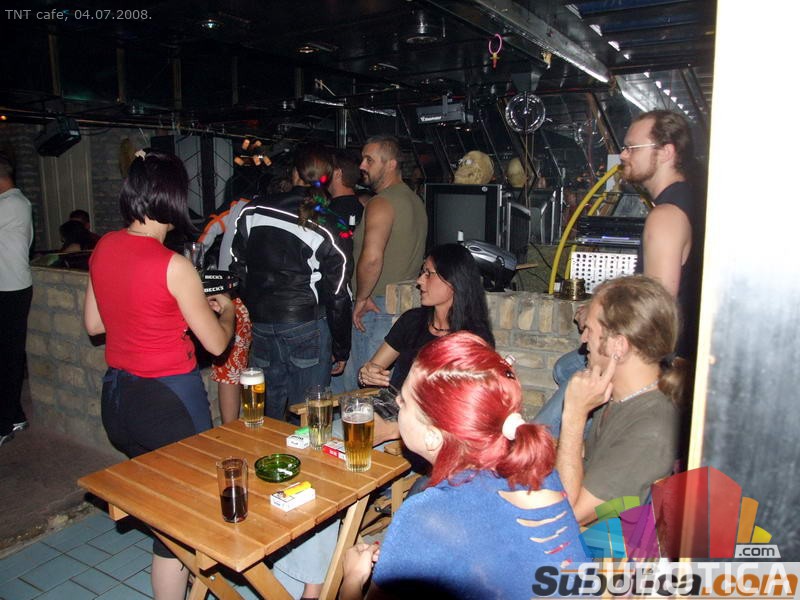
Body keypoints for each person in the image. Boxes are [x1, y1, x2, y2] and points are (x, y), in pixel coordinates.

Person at [83, 150, 235, 600]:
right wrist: (226, 311)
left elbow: (94, 324)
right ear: (172, 198)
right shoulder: (174, 265)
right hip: (168, 403)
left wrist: (163, 312)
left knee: (167, 505)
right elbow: (216, 345)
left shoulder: (103, 247)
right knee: (184, 517)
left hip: (118, 400)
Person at [341, 332, 588, 600]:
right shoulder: (538, 470)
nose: (397, 402)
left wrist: (353, 577)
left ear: (432, 437)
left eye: (405, 402)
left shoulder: (426, 515)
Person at [535, 110, 704, 436]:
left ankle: (536, 452)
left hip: (660, 361)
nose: (623, 155)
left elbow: (654, 314)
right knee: (565, 367)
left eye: (632, 148)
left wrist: (604, 322)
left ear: (666, 152)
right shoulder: (691, 202)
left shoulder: (666, 216)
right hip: (676, 354)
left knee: (542, 428)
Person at [230, 144, 353, 421]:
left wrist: (255, 304)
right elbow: (338, 293)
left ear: (295, 172)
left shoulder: (254, 209)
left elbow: (237, 266)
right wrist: (341, 347)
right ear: (328, 178)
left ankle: (267, 448)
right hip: (307, 325)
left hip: (262, 323)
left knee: (268, 412)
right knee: (308, 412)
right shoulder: (331, 224)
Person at [556, 275, 685, 525]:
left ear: (618, 346)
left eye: (589, 330)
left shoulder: (652, 428)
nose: (583, 339)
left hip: (600, 546)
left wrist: (574, 415)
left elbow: (567, 514)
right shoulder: (618, 398)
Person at [358, 243, 494, 444]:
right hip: (386, 411)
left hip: (427, 432)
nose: (420, 280)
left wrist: (395, 431)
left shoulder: (473, 339)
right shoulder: (412, 320)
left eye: (428, 274)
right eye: (422, 273)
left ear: (454, 281)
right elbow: (373, 368)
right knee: (329, 438)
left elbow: (459, 411)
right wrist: (365, 374)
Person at [338, 136, 427, 392]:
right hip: (402, 308)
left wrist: (361, 298)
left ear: (391, 164)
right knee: (385, 393)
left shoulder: (381, 202)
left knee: (363, 393)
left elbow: (372, 258)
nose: (362, 166)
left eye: (369, 160)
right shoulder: (415, 200)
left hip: (375, 308)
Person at [198, 197, 253, 423]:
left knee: (231, 369)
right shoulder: (293, 207)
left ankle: (232, 428)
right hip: (261, 298)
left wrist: (196, 264)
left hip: (233, 294)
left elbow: (208, 233)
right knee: (234, 367)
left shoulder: (240, 205)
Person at [0, 153, 33, 448]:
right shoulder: (18, 203)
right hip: (12, 287)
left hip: (10, 289)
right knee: (9, 355)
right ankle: (15, 415)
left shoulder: (11, 204)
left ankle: (4, 422)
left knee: (7, 357)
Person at [328, 148, 364, 227]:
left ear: (337, 173)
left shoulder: (332, 213)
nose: (324, 172)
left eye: (328, 169)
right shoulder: (360, 208)